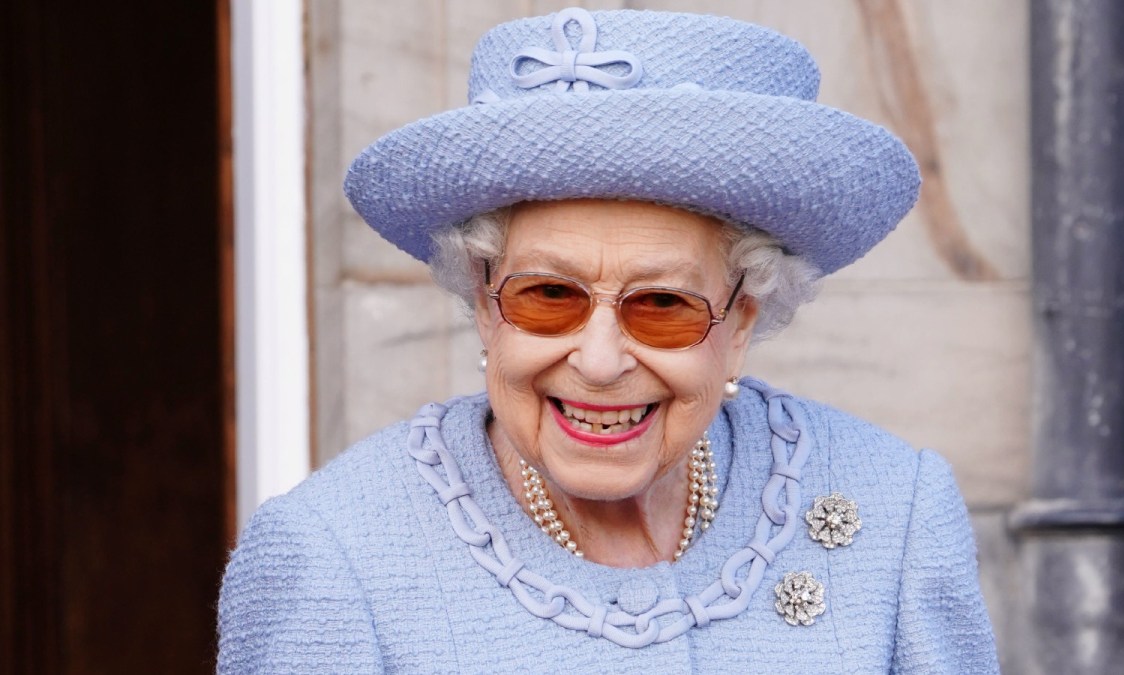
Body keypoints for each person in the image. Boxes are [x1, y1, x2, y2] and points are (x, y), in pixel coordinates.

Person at [218, 7, 999, 673]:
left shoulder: (896, 515)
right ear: (484, 299)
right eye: (548, 296)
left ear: (743, 321)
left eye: (662, 304)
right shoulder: (330, 560)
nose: (597, 360)